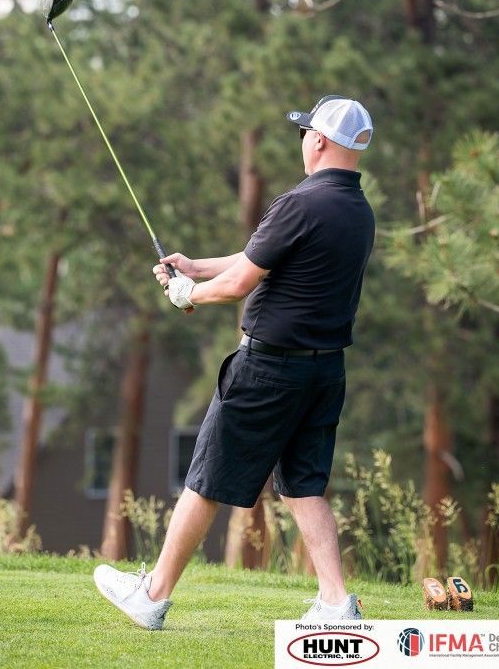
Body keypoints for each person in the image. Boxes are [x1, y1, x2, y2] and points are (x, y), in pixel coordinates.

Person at [93, 95, 376, 630]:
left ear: (317, 140)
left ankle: (151, 596)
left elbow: (243, 282)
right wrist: (194, 266)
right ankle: (337, 602)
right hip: (323, 372)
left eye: (304, 133)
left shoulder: (301, 202)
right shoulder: (356, 210)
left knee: (206, 477)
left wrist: (188, 295)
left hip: (269, 371)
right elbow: (258, 260)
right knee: (303, 485)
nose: (302, 141)